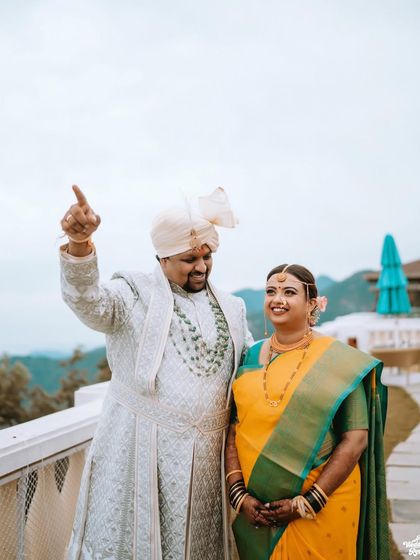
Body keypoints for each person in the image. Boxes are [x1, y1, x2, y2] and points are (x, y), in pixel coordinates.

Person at [59, 185, 253, 560]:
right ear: (161, 258)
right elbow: (88, 303)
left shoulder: (232, 307)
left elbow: (249, 372)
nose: (201, 267)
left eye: (207, 256)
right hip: (137, 455)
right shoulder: (132, 293)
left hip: (206, 469)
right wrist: (79, 244)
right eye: (188, 259)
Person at [225, 263, 390, 560]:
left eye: (289, 292)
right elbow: (234, 427)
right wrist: (239, 496)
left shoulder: (337, 362)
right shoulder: (249, 356)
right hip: (258, 508)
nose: (278, 299)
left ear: (312, 303)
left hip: (325, 504)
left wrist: (308, 502)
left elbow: (356, 439)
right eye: (271, 291)